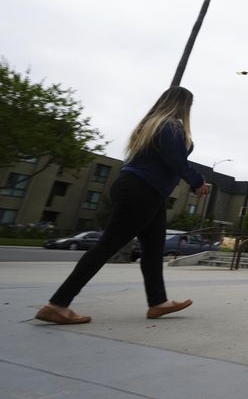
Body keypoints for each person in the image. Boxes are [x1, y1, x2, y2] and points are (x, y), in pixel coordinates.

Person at [35, 86, 209, 324]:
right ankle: (57, 304)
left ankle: (158, 302)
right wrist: (197, 181)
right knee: (107, 245)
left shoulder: (149, 125)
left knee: (154, 249)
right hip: (143, 190)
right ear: (184, 105)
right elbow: (176, 160)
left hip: (146, 190)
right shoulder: (170, 126)